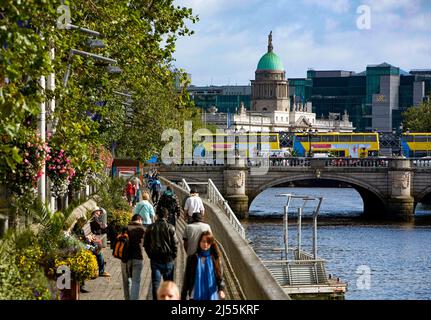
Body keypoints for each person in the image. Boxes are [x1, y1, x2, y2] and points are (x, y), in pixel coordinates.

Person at [144, 207, 178, 300]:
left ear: (157, 215)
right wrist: (173, 255)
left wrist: (150, 255)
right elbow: (175, 244)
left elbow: (145, 244)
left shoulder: (150, 227)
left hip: (155, 259)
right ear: (167, 216)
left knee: (155, 284)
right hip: (168, 259)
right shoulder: (171, 227)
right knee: (169, 285)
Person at [181, 231, 226, 300]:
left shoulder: (216, 259)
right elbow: (186, 279)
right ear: (199, 242)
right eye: (203, 241)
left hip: (211, 295)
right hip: (194, 295)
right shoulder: (192, 258)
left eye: (208, 242)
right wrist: (183, 296)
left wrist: (221, 289)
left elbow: (220, 277)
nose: (205, 244)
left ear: (211, 244)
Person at [121, 214, 145, 300]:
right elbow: (147, 244)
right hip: (138, 257)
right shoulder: (142, 229)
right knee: (136, 282)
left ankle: (127, 298)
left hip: (125, 258)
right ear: (139, 219)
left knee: (126, 281)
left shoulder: (125, 228)